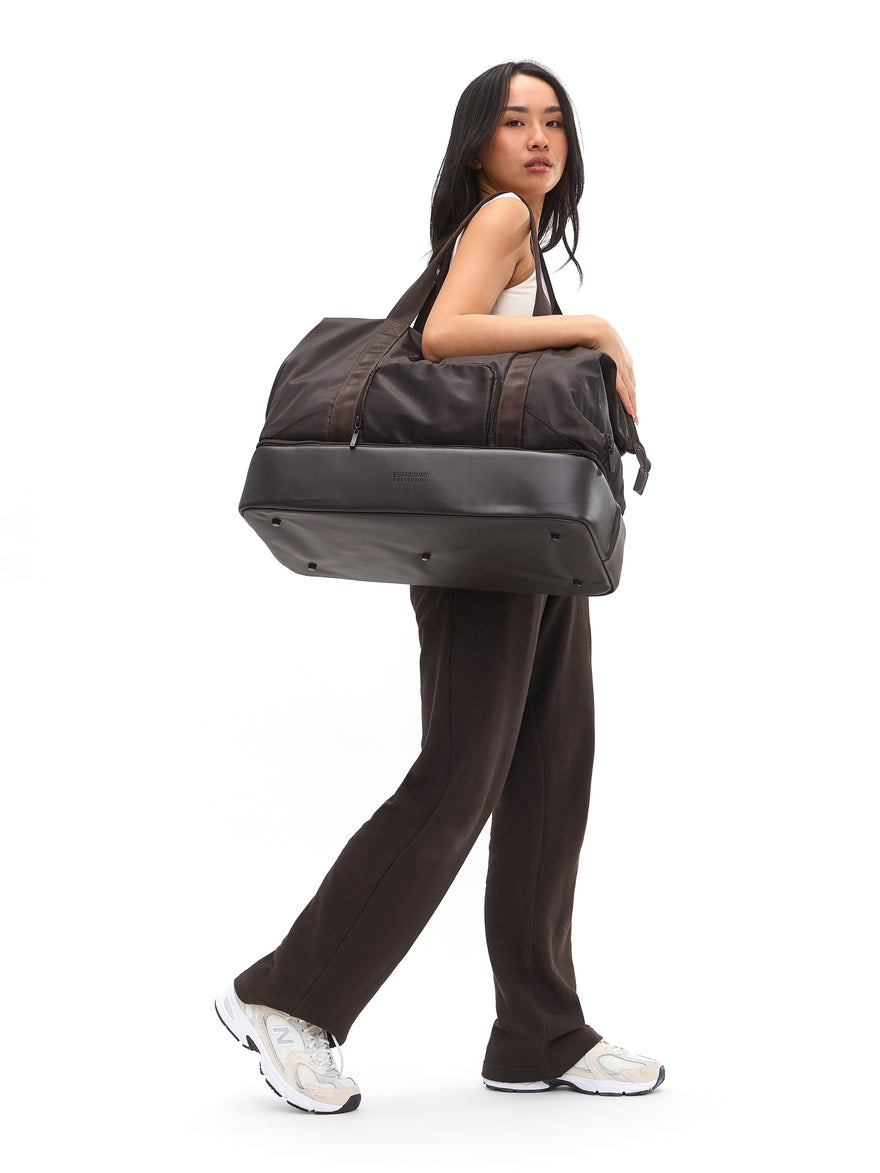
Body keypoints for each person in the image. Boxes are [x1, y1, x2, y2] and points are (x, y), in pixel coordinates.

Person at [215, 60, 663, 1115]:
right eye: (514, 122)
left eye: (554, 122)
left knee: (551, 774)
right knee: (459, 779)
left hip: (536, 547)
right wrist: (594, 330)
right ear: (478, 144)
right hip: (485, 550)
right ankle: (288, 996)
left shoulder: (524, 234)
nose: (538, 139)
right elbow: (443, 336)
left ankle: (538, 1030)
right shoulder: (499, 218)